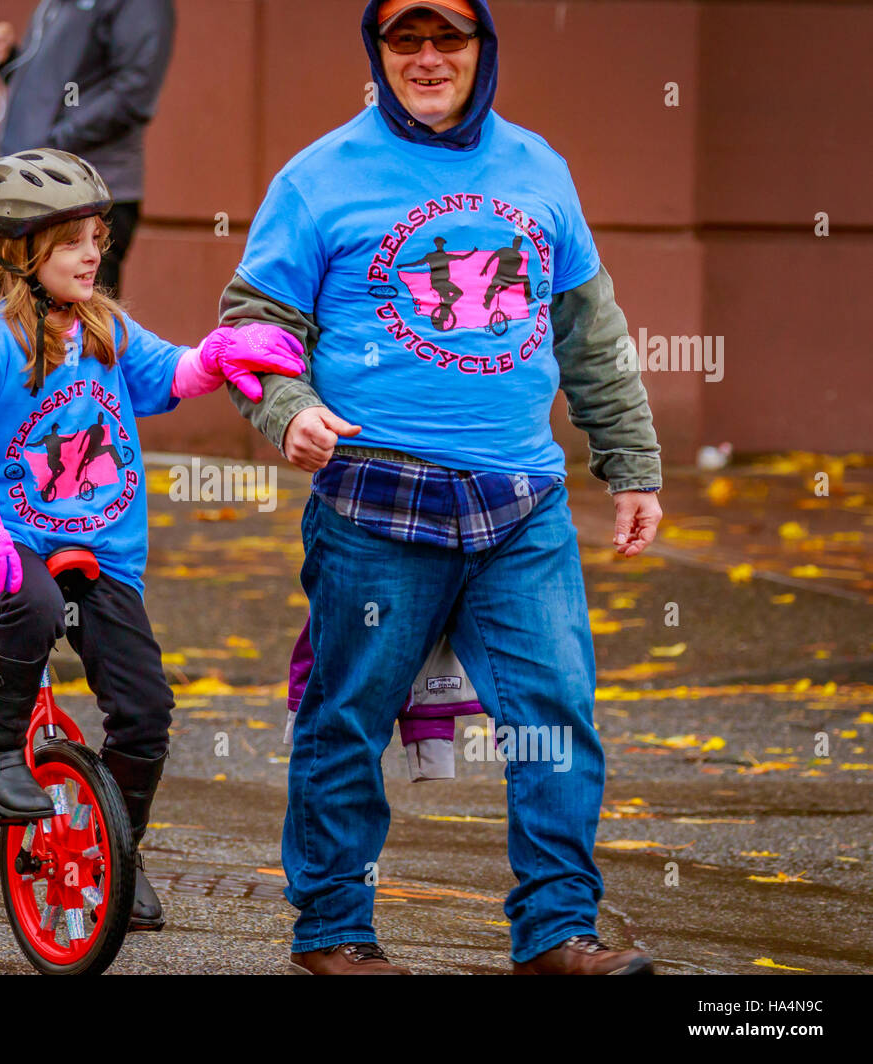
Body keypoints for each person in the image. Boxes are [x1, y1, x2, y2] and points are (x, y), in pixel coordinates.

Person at [221, 0, 664, 975]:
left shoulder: (538, 168)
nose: (427, 59)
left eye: (448, 38)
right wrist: (284, 406)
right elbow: (251, 324)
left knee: (554, 715)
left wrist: (629, 465)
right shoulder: (319, 176)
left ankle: (557, 932)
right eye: (404, 40)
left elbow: (590, 331)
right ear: (377, 54)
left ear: (482, 49)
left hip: (523, 508)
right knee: (346, 715)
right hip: (376, 504)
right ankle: (333, 931)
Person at [0, 149, 303, 931]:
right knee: (32, 605)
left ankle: (113, 851)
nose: (93, 253)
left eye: (97, 235)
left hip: (105, 548)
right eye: (71, 242)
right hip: (5, 538)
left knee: (146, 710)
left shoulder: (106, 330)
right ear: (20, 255)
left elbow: (178, 375)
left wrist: (224, 356)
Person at [0, 0, 175, 296]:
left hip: (86, 199)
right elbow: (54, 92)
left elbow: (134, 93)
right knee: (9, 322)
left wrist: (53, 143)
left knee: (83, 334)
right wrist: (10, 58)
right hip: (28, 194)